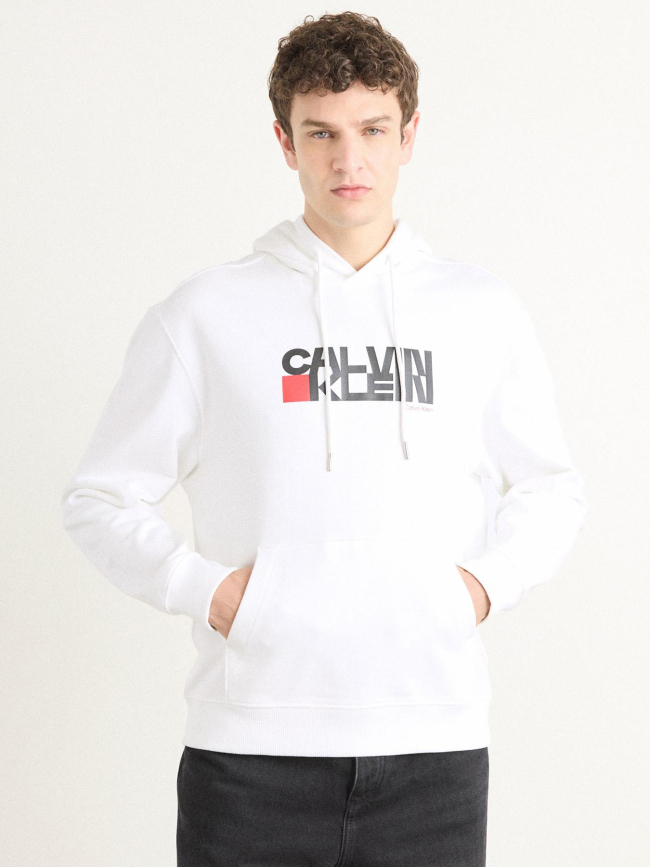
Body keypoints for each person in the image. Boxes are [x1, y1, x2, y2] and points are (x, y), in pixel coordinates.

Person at [60, 11, 587, 867]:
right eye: (322, 133)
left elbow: (551, 488)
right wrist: (209, 591)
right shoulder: (205, 315)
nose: (350, 161)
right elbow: (99, 497)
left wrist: (478, 589)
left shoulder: (480, 312)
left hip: (433, 748)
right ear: (285, 142)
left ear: (409, 135)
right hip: (249, 755)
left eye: (373, 130)